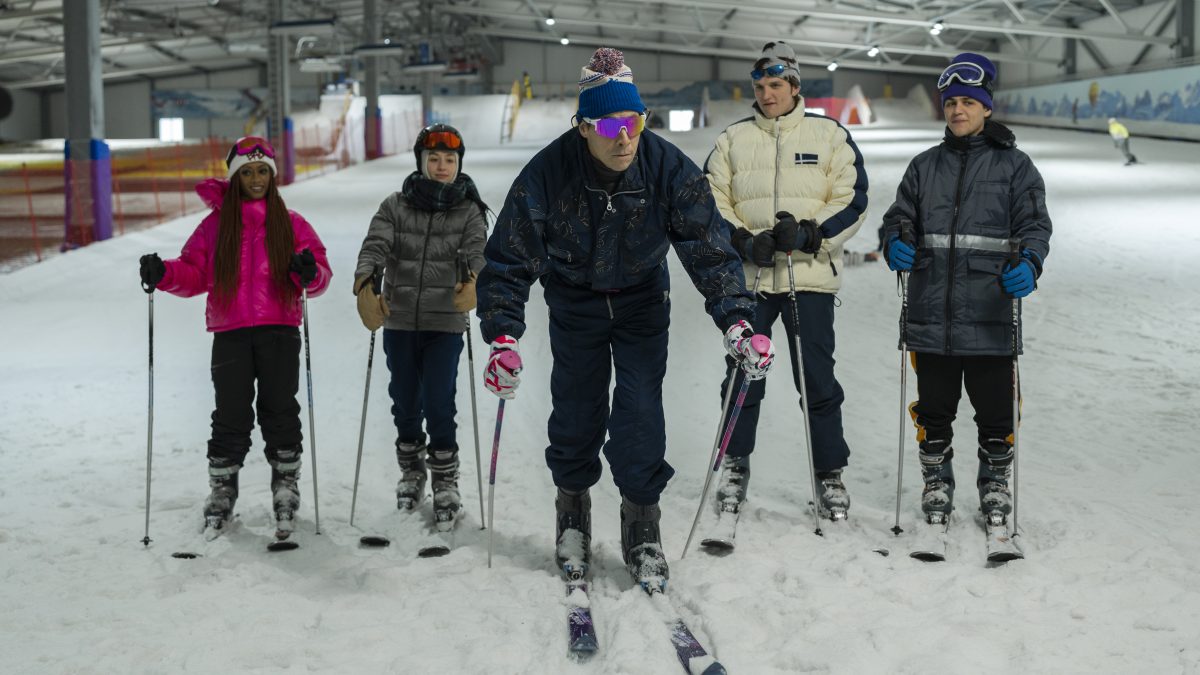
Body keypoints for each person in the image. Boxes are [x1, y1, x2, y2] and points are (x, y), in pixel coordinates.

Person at [474, 47, 775, 590]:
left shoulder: (666, 168)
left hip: (640, 301)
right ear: (583, 126)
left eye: (634, 122)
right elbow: (509, 258)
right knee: (575, 407)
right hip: (575, 300)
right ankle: (572, 515)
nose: (624, 137)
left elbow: (709, 247)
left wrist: (738, 321)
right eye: (610, 124)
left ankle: (642, 526)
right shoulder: (549, 173)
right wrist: (502, 335)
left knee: (639, 413)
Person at [881, 53, 1052, 527]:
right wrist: (894, 241)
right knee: (934, 410)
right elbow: (900, 218)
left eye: (968, 102)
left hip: (990, 311)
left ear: (986, 108)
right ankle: (937, 480)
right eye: (951, 102)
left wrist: (1031, 263)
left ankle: (994, 483)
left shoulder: (1015, 167)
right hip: (929, 312)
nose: (958, 110)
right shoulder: (923, 167)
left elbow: (1035, 225)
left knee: (996, 411)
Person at [703, 41, 867, 521]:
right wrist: (741, 240)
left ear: (795, 86)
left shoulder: (828, 134)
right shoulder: (734, 139)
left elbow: (852, 196)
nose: (767, 93)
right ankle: (735, 464)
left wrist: (815, 234)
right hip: (751, 279)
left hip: (809, 277)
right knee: (742, 376)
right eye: (760, 86)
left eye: (776, 85)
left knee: (816, 379)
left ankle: (829, 472)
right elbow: (710, 198)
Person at [137, 136, 332, 541]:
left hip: (279, 330)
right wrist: (165, 274)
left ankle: (286, 483)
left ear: (273, 176)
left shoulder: (292, 223)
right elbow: (193, 272)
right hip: (231, 333)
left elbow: (319, 277)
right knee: (231, 413)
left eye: (263, 171)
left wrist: (308, 273)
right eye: (248, 172)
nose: (256, 179)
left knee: (280, 409)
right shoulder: (215, 226)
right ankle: (223, 487)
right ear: (235, 177)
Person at [353, 124, 489, 532]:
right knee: (405, 400)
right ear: (421, 162)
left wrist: (477, 281)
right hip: (399, 319)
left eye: (449, 159)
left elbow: (479, 252)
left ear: (459, 163)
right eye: (434, 158)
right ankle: (412, 470)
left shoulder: (468, 210)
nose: (442, 165)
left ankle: (445, 477)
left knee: (439, 402)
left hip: (445, 322)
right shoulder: (396, 206)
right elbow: (375, 246)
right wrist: (365, 283)